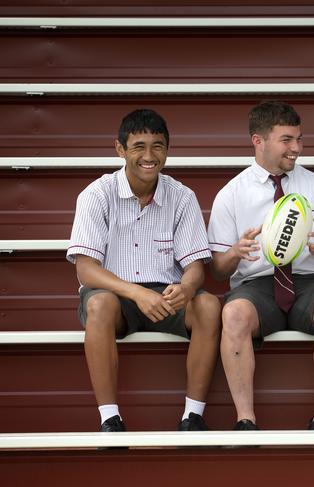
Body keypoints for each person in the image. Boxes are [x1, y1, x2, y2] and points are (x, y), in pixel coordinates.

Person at [66, 109, 221, 432]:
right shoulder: (97, 194)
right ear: (120, 149)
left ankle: (192, 416)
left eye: (158, 146)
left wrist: (188, 288)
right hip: (116, 295)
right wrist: (136, 293)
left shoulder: (182, 196)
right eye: (138, 146)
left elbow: (194, 267)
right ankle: (110, 418)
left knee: (208, 304)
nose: (149, 156)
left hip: (166, 295)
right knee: (99, 304)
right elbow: (86, 271)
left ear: (167, 149)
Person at [207, 100, 314, 431]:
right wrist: (235, 252)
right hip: (256, 287)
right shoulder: (232, 194)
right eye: (286, 140)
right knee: (232, 314)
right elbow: (218, 269)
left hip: (310, 281)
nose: (296, 148)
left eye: (299, 139)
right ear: (258, 140)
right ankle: (245, 420)